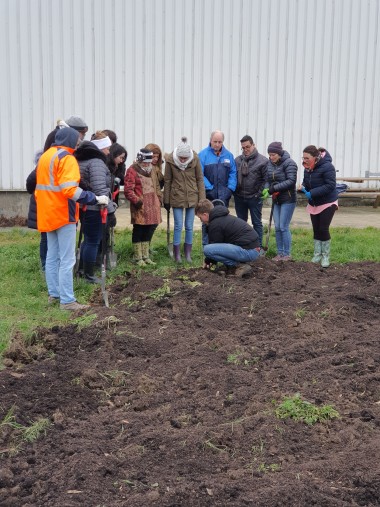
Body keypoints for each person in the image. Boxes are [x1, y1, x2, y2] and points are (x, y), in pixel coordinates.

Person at [35, 127, 109, 310]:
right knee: (67, 259)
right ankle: (67, 300)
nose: (78, 144)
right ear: (70, 140)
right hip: (62, 213)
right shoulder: (66, 159)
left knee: (52, 256)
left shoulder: (46, 156)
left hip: (47, 212)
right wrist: (94, 198)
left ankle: (55, 294)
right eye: (77, 140)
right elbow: (70, 190)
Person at [74, 131, 116, 283]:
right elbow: (100, 190)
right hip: (95, 208)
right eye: (106, 148)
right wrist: (110, 211)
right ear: (100, 148)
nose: (108, 151)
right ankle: (89, 275)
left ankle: (82, 269)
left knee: (88, 239)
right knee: (93, 240)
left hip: (85, 206)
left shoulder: (84, 160)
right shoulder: (97, 162)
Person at [163, 137, 206, 263]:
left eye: (185, 158)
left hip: (193, 196)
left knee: (189, 226)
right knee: (178, 225)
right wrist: (166, 199)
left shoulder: (195, 159)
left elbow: (200, 179)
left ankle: (187, 253)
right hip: (177, 197)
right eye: (181, 158)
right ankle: (177, 255)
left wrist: (202, 200)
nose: (182, 160)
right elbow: (167, 180)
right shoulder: (170, 161)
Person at [195, 199, 260, 277]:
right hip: (252, 249)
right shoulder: (221, 218)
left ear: (205, 215)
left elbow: (214, 245)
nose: (201, 220)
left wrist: (208, 261)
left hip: (249, 251)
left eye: (200, 217)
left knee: (207, 249)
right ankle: (236, 265)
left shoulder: (215, 224)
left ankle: (237, 265)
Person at [298, 145, 338, 268]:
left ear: (315, 157)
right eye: (303, 157)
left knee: (323, 229)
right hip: (314, 202)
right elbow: (307, 182)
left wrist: (312, 193)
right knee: (316, 229)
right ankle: (317, 254)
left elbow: (330, 185)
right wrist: (302, 187)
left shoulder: (328, 167)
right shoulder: (307, 168)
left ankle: (325, 256)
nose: (304, 160)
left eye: (307, 158)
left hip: (327, 202)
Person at [124, 148, 162, 266]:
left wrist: (159, 200)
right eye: (144, 161)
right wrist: (138, 202)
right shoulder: (132, 170)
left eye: (148, 161)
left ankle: (146, 256)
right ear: (140, 159)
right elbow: (128, 190)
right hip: (140, 207)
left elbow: (157, 185)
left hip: (152, 205)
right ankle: (137, 257)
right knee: (138, 230)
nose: (146, 164)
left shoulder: (153, 170)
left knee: (148, 229)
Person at [262, 142, 298, 261]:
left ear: (279, 153)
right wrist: (267, 188)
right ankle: (280, 253)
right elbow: (267, 178)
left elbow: (291, 181)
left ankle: (287, 254)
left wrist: (274, 188)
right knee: (277, 227)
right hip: (276, 200)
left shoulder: (290, 163)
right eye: (270, 155)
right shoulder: (269, 164)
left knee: (283, 226)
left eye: (273, 155)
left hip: (288, 199)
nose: (271, 157)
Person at [234, 135, 267, 247]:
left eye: (248, 146)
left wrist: (259, 194)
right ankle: (243, 246)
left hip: (254, 198)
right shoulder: (237, 160)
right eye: (243, 148)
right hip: (239, 197)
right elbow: (233, 176)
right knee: (241, 223)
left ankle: (258, 247)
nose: (245, 149)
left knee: (257, 223)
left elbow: (266, 180)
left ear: (253, 145)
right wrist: (235, 192)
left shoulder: (263, 161)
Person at [198, 130, 237, 207]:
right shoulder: (202, 155)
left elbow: (233, 173)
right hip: (208, 195)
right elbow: (200, 174)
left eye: (220, 142)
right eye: (215, 142)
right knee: (208, 217)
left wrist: (230, 189)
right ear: (210, 140)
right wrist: (209, 188)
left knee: (222, 218)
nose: (217, 144)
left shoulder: (229, 155)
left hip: (224, 196)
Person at [26, 150, 46, 271]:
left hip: (43, 205)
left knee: (46, 237)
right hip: (42, 205)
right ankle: (44, 264)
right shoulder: (40, 168)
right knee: (46, 237)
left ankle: (46, 264)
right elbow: (29, 183)